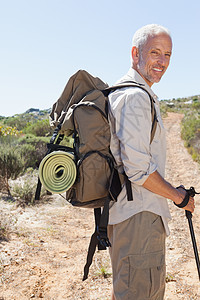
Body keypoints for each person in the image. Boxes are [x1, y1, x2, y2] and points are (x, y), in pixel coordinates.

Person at [108, 24, 195, 300]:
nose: (162, 62)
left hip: (129, 218)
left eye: (168, 55)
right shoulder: (135, 97)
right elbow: (138, 169)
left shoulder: (127, 92)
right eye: (155, 52)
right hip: (139, 220)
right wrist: (177, 196)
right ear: (136, 53)